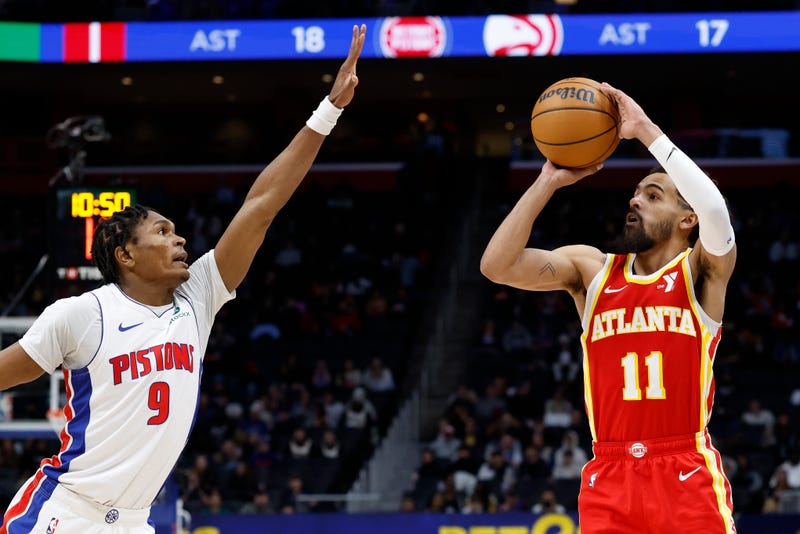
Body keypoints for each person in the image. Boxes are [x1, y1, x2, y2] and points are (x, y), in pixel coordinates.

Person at [0, 24, 367, 534]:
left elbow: (261, 206)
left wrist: (329, 110)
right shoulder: (82, 314)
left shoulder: (198, 296)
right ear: (126, 255)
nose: (181, 241)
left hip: (134, 521)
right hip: (63, 511)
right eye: (163, 231)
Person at [480, 82, 737, 533]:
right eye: (636, 193)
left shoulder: (700, 273)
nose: (635, 200)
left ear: (686, 218)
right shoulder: (592, 269)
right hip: (609, 473)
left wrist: (648, 132)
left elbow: (716, 212)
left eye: (653, 195)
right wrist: (547, 182)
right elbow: (496, 267)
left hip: (684, 468)